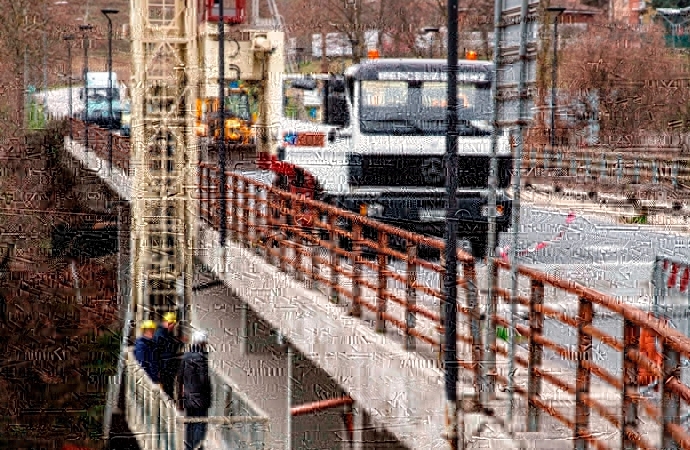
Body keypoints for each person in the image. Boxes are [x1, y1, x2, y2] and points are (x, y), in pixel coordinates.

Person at [178, 330, 212, 450]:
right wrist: (208, 394)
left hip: (188, 397)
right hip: (200, 398)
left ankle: (189, 447)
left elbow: (180, 377)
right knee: (200, 424)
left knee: (190, 424)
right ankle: (196, 447)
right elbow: (203, 380)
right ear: (203, 343)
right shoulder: (201, 358)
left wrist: (180, 398)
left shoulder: (186, 356)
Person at [155, 311, 184, 400]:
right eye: (173, 325)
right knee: (167, 388)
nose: (173, 327)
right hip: (164, 367)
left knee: (169, 386)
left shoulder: (164, 332)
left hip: (167, 366)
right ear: (169, 323)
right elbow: (164, 352)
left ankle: (170, 400)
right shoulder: (161, 334)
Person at [134, 320, 160, 384]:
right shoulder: (141, 345)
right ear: (145, 330)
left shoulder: (151, 344)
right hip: (147, 381)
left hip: (153, 378)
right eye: (151, 330)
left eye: (153, 330)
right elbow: (142, 364)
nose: (153, 332)